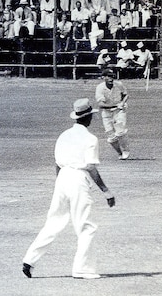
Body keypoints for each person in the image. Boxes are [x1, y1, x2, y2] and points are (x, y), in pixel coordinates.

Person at [22, 98, 115, 280]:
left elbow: (57, 164)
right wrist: (105, 190)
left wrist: (61, 185)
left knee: (54, 222)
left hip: (63, 178)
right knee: (86, 226)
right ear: (88, 118)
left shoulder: (64, 135)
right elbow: (90, 167)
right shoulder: (90, 138)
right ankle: (83, 269)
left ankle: (29, 260)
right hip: (78, 178)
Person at [95, 68, 130, 160]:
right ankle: (120, 153)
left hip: (119, 111)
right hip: (107, 113)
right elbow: (101, 105)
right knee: (111, 138)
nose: (111, 79)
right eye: (108, 77)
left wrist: (122, 102)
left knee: (120, 131)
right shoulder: (100, 88)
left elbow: (126, 94)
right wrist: (116, 104)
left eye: (112, 77)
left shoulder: (119, 85)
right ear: (104, 77)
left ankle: (126, 150)